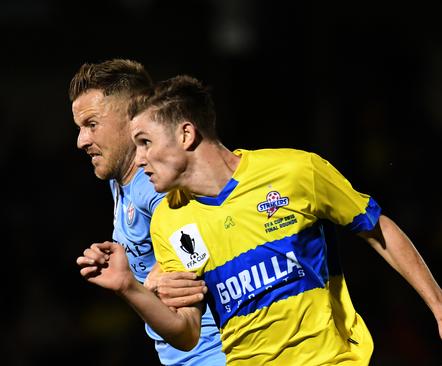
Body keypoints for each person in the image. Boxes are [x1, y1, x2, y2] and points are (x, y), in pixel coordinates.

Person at [76, 75, 442, 365]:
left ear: (186, 134)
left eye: (145, 143)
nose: (139, 160)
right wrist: (129, 287)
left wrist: (438, 304)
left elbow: (378, 230)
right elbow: (186, 333)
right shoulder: (170, 221)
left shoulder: (296, 171)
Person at [69, 60, 225, 365]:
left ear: (132, 119)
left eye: (92, 125)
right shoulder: (120, 177)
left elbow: (200, 250)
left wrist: (165, 272)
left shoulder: (157, 187)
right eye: (79, 128)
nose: (81, 141)